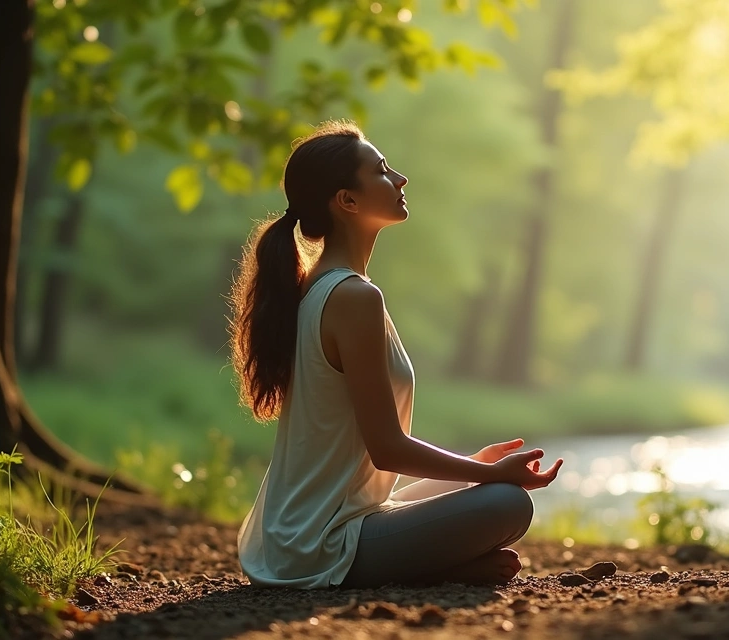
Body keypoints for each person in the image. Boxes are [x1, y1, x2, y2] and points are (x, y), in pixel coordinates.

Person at [228, 121, 563, 589]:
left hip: (306, 532)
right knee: (507, 503)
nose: (400, 179)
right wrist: (485, 473)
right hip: (319, 543)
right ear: (347, 201)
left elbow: (375, 464)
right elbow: (387, 449)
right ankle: (439, 571)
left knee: (485, 487)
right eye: (382, 171)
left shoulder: (321, 288)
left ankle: (436, 565)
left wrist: (473, 466)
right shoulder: (352, 297)